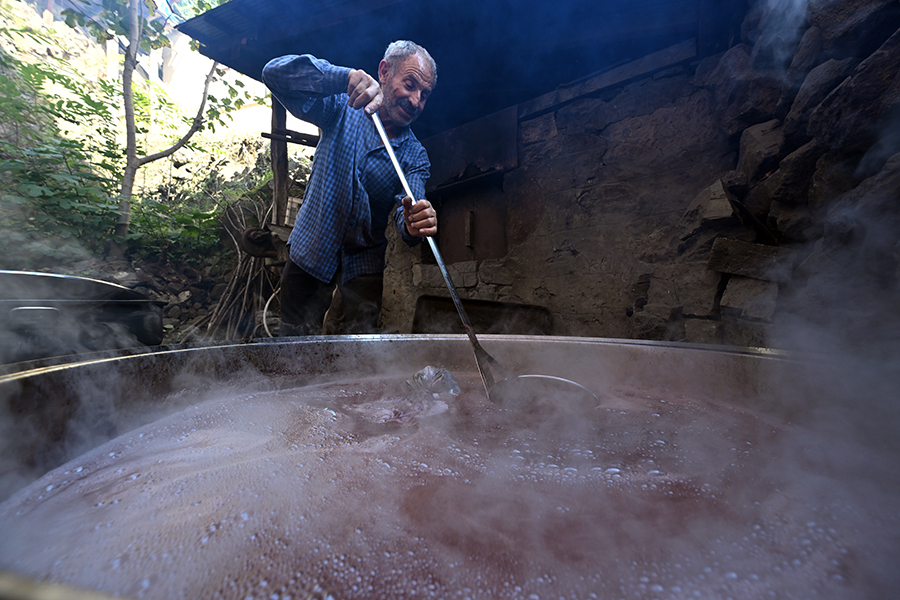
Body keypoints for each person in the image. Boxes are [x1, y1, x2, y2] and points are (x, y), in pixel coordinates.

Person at [262, 41, 438, 335]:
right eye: (410, 85)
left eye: (424, 95)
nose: (416, 100)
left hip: (364, 261)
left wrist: (414, 222)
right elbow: (273, 74)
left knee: (360, 350)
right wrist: (341, 77)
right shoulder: (342, 106)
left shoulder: (415, 154)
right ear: (384, 71)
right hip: (311, 247)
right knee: (294, 342)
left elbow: (411, 204)